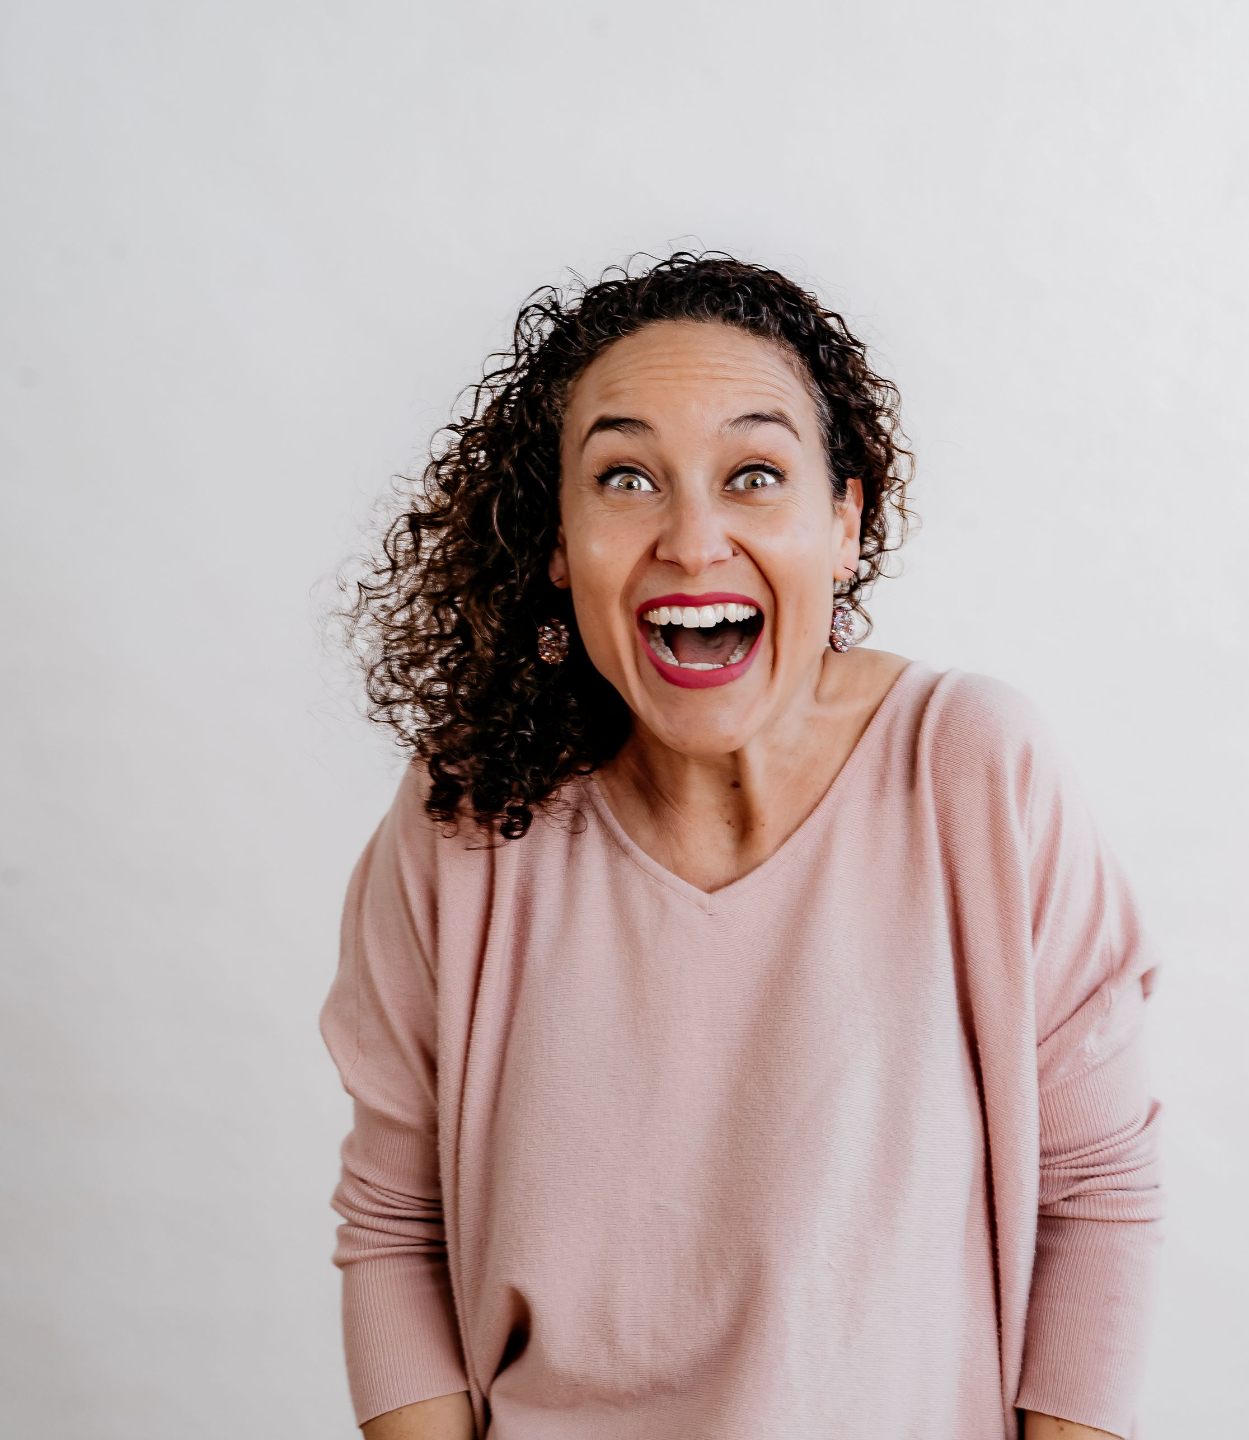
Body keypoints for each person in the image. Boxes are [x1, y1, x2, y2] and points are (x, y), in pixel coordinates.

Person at [321, 252, 1165, 1440]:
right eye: (625, 478)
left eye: (755, 475)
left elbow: (1095, 1195)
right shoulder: (466, 819)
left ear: (844, 523)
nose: (692, 539)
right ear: (558, 542)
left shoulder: (974, 770)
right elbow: (397, 1228)